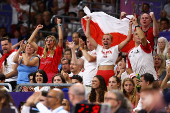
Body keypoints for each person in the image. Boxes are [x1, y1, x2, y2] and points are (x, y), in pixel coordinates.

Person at [85, 16, 132, 84]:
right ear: (101, 41)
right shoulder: (98, 48)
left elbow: (128, 39)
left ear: (111, 41)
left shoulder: (115, 48)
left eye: (107, 39)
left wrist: (130, 26)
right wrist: (88, 21)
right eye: (103, 39)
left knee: (110, 94)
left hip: (110, 75)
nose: (105, 40)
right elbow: (88, 36)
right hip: (99, 74)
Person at [27, 18, 63, 83]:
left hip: (51, 76)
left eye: (51, 40)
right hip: (40, 77)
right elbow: (30, 41)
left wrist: (59, 25)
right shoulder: (42, 50)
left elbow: (60, 39)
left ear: (54, 42)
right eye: (47, 40)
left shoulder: (57, 51)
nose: (48, 41)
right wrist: (37, 29)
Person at [127, 15, 157, 80]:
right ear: (133, 38)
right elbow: (129, 68)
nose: (138, 36)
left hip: (151, 80)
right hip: (139, 82)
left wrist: (136, 24)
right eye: (136, 34)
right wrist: (133, 77)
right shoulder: (129, 52)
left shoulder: (146, 45)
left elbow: (142, 38)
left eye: (139, 34)